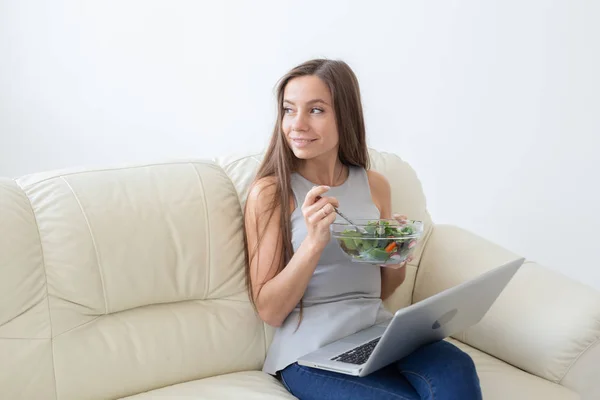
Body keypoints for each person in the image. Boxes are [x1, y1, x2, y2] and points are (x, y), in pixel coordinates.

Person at [243, 59, 482, 400]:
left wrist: (394, 256)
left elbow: (380, 291)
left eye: (315, 110)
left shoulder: (375, 185)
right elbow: (269, 310)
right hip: (309, 353)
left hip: (380, 335)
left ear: (345, 115)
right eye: (288, 109)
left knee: (457, 368)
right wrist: (313, 243)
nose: (297, 124)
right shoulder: (272, 192)